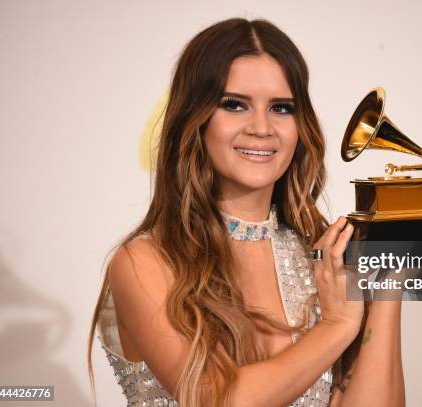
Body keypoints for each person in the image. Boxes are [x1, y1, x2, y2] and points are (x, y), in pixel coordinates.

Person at [87, 17, 404, 407]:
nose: (261, 127)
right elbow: (218, 401)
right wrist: (337, 325)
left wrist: (388, 286)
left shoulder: (320, 261)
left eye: (281, 108)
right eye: (234, 104)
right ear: (196, 119)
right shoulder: (144, 262)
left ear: (300, 126)